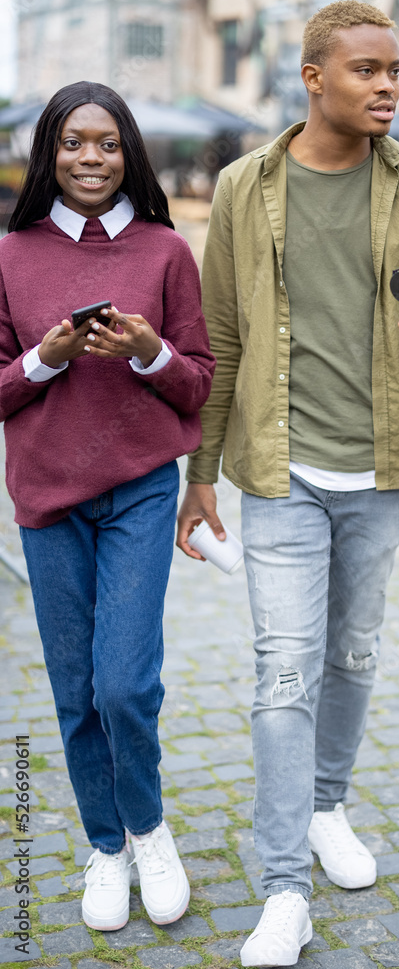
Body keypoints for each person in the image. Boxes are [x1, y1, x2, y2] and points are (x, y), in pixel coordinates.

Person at [176, 0, 399, 969]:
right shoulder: (244, 187)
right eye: (366, 70)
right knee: (281, 671)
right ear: (312, 77)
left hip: (382, 466)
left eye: (395, 68)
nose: (388, 84)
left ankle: (324, 804)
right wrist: (200, 473)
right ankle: (281, 892)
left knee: (350, 652)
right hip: (279, 470)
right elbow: (219, 335)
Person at [2, 82, 215, 932]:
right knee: (75, 690)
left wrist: (147, 350)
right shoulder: (12, 254)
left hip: (137, 491)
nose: (91, 158)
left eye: (107, 144)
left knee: (126, 684)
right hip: (47, 497)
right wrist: (47, 359)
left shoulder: (165, 251)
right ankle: (106, 845)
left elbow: (198, 381)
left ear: (129, 151)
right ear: (48, 151)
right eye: (73, 142)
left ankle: (150, 827)